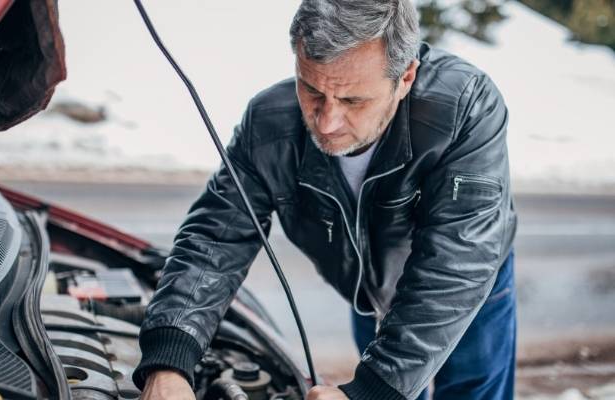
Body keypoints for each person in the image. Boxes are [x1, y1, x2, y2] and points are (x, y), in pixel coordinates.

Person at [133, 0, 517, 399]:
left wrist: (368, 392)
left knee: (471, 391)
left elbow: (458, 258)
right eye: (312, 89)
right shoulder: (269, 124)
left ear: (405, 77)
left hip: (465, 287)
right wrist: (169, 359)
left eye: (353, 101)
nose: (327, 121)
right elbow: (217, 237)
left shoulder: (465, 108)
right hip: (367, 290)